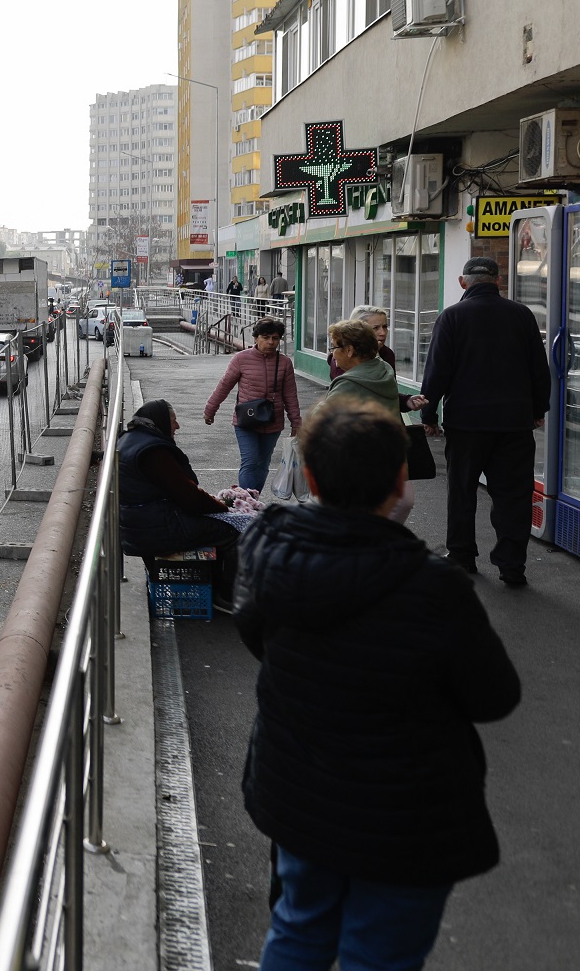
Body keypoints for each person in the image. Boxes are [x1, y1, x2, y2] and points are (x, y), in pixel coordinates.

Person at [234, 400, 520, 971]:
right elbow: (495, 697)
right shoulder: (433, 588)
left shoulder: (270, 552)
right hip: (406, 819)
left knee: (298, 927)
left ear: (311, 478)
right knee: (380, 954)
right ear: (400, 481)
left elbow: (256, 636)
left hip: (299, 793)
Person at [407, 256, 549, 586]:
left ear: (462, 282)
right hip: (514, 424)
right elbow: (539, 370)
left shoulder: (452, 317)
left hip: (467, 424)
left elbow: (437, 371)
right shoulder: (521, 315)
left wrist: (428, 415)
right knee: (513, 496)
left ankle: (462, 555)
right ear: (497, 281)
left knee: (462, 492)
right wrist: (538, 410)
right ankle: (512, 565)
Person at [118, 399, 240, 606]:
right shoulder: (154, 452)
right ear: (160, 422)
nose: (178, 426)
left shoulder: (129, 440)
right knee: (232, 532)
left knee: (214, 524)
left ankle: (209, 587)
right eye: (173, 421)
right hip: (159, 529)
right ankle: (227, 596)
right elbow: (189, 497)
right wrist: (223, 508)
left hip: (138, 527)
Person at [324, 319, 412, 524]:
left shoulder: (349, 383)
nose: (332, 353)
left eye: (335, 347)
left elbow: (324, 427)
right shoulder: (383, 371)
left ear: (350, 350)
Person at [204, 318, 303, 492]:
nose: (271, 342)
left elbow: (290, 395)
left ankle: (253, 501)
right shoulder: (241, 359)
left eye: (275, 338)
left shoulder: (284, 362)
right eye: (266, 337)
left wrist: (296, 423)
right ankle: (246, 504)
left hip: (273, 421)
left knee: (263, 464)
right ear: (256, 338)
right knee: (250, 461)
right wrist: (210, 409)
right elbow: (224, 385)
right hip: (246, 420)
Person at [328, 304, 396, 380]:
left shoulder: (387, 353)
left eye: (385, 327)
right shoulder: (343, 355)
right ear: (359, 330)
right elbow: (349, 385)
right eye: (376, 328)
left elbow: (391, 386)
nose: (383, 333)